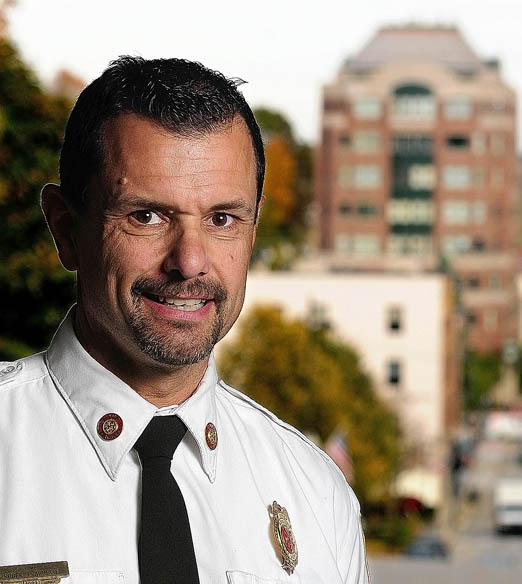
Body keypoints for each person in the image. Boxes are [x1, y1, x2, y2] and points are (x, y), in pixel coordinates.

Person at [0, 56, 368, 584]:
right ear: (65, 229)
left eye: (222, 219)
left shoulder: (315, 493)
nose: (190, 262)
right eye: (146, 215)